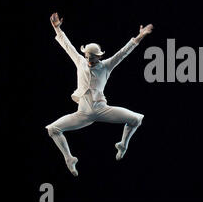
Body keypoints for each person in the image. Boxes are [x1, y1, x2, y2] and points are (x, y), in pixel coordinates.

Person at [45, 12, 153, 176]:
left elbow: (123, 52)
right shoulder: (80, 62)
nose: (89, 61)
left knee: (136, 119)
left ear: (99, 57)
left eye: (92, 59)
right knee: (53, 129)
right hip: (83, 113)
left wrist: (140, 36)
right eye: (87, 57)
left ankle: (123, 145)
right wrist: (57, 29)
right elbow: (68, 46)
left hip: (102, 109)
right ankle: (69, 158)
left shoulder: (106, 66)